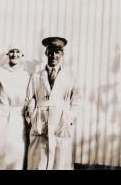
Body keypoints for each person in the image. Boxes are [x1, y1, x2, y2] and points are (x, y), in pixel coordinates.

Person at [25, 37, 82, 170]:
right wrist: (32, 118)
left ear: (62, 54)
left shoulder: (70, 76)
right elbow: (29, 98)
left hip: (61, 123)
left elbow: (78, 101)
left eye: (57, 52)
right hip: (40, 122)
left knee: (60, 161)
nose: (53, 55)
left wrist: (69, 119)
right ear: (46, 53)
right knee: (39, 161)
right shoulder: (36, 76)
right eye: (51, 51)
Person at [0, 42, 30, 170]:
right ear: (7, 54)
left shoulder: (26, 75)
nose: (14, 54)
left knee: (16, 155)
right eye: (12, 51)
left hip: (18, 119)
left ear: (22, 54)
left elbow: (30, 97)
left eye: (18, 51)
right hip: (0, 117)